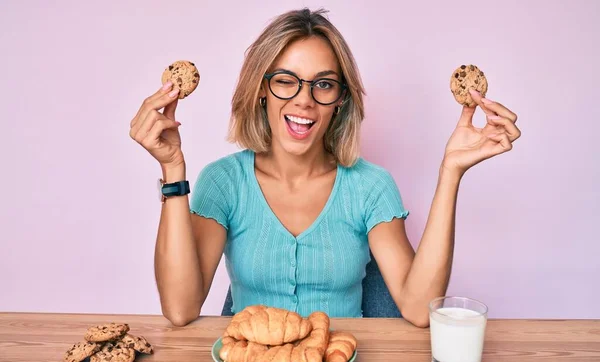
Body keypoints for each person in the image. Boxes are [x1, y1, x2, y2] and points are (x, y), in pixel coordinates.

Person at [128, 8, 521, 327]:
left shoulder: (371, 186)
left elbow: (420, 309)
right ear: (261, 90)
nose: (304, 100)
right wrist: (173, 170)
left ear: (341, 100)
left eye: (324, 84)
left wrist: (451, 171)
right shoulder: (224, 181)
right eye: (286, 80)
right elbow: (180, 309)